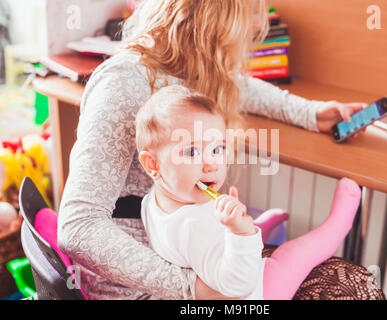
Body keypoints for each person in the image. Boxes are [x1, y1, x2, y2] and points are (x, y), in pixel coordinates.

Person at [58, 0, 382, 300]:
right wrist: (191, 289)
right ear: (218, 22)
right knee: (352, 287)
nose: (257, 25)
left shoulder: (191, 70)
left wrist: (310, 113)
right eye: (251, 13)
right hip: (141, 287)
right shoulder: (125, 84)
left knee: (348, 281)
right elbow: (78, 227)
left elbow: (242, 87)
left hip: (191, 257)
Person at [137, 85, 362, 300]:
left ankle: (258, 228)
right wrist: (241, 232)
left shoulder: (155, 200)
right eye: (191, 151)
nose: (211, 164)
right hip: (259, 291)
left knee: (239, 228)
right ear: (153, 165)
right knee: (293, 254)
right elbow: (237, 286)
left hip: (216, 259)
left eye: (217, 149)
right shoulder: (195, 225)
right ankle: (338, 225)